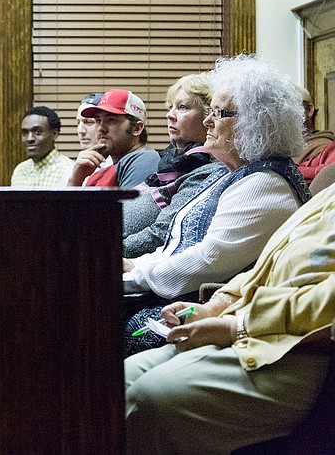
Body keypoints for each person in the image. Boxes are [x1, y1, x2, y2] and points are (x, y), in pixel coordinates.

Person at [125, 181, 335, 454]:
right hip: (257, 326)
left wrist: (240, 327)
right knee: (123, 376)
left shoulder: (268, 182)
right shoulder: (329, 191)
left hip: (302, 347)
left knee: (152, 395)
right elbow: (265, 266)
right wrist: (216, 306)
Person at [122, 55, 310, 356]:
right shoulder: (231, 172)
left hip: (205, 305)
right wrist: (135, 265)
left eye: (220, 113)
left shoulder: (266, 183)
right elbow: (178, 243)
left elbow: (208, 260)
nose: (208, 120)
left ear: (255, 123)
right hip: (170, 290)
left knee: (98, 324)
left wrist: (133, 278)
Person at [122, 73, 218, 258]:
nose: (169, 115)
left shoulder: (208, 170)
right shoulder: (173, 162)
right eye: (170, 107)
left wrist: (101, 248)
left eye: (182, 107)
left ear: (209, 118)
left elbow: (162, 234)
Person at [68, 89, 159, 189]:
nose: (100, 128)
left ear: (136, 128)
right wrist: (75, 180)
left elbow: (128, 205)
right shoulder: (101, 170)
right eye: (98, 120)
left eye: (111, 120)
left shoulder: (145, 160)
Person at [10, 105, 75, 187]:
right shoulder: (20, 170)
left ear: (54, 134)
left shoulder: (69, 170)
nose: (29, 138)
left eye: (38, 132)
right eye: (25, 133)